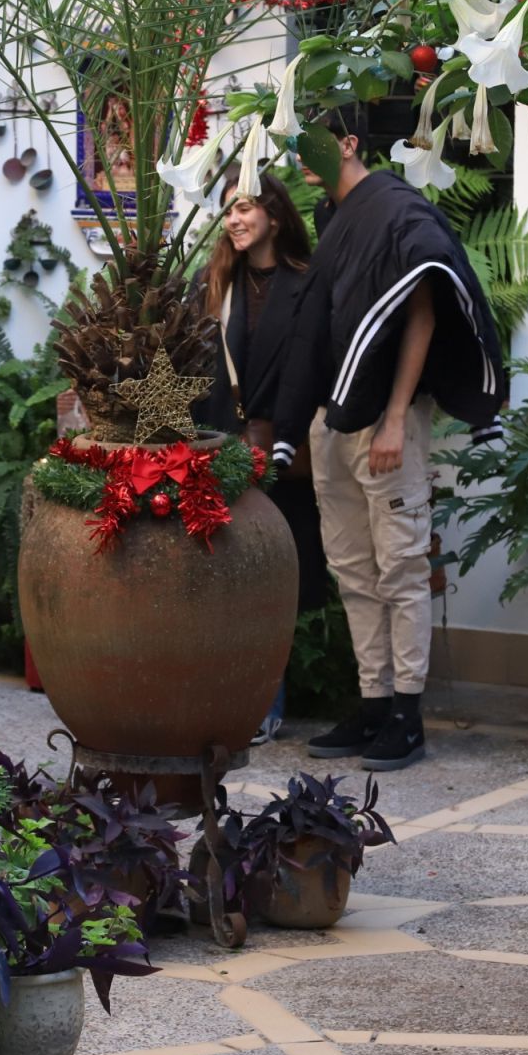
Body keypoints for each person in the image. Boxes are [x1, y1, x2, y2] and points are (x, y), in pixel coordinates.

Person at [275, 107, 506, 772]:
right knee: (352, 568)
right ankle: (373, 701)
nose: (302, 159)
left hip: (385, 421)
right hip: (334, 417)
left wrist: (400, 415)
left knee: (401, 567)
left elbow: (425, 306)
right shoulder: (336, 219)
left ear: (348, 143)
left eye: (313, 145)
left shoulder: (396, 210)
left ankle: (407, 713)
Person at [193, 173, 327, 745]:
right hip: (221, 448)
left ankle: (266, 704)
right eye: (227, 211)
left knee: (274, 582)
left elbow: (316, 365)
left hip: (282, 455)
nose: (234, 220)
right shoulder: (215, 283)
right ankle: (227, 702)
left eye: (244, 207)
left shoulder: (305, 281)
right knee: (221, 578)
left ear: (274, 214)